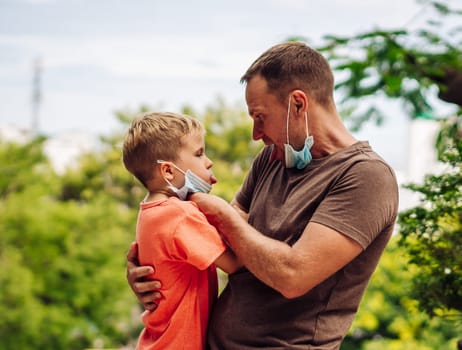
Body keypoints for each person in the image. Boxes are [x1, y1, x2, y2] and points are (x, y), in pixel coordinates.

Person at [126, 42, 399, 349]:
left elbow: (292, 275)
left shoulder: (365, 176)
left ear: (298, 105)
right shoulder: (271, 158)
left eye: (260, 117)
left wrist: (222, 213)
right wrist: (157, 268)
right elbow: (223, 240)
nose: (256, 134)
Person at [122, 111, 241, 350]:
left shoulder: (149, 212)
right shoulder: (180, 215)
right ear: (168, 171)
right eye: (199, 154)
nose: (209, 162)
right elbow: (235, 264)